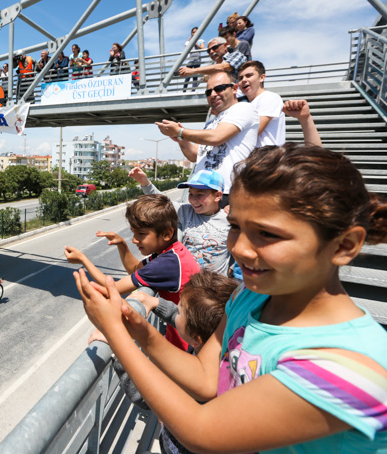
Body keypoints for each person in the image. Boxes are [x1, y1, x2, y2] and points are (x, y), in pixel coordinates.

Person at [75, 143, 387, 454]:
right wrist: (138, 329)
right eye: (235, 226)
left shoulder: (348, 365)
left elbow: (201, 431)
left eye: (267, 234)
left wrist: (115, 334)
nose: (239, 248)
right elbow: (206, 378)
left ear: (345, 245)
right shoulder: (249, 297)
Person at [114, 270, 240, 454]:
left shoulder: (193, 381)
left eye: (180, 308)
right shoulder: (218, 349)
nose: (176, 308)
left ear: (195, 339)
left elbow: (145, 396)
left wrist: (118, 351)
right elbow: (186, 323)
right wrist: (156, 303)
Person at [65, 194, 200, 351]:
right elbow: (135, 269)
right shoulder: (171, 252)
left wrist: (83, 260)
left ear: (166, 234)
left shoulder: (167, 264)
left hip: (185, 345)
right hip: (184, 336)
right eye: (133, 233)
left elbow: (112, 288)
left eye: (141, 234)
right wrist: (122, 245)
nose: (135, 240)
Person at [156, 71, 258, 204]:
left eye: (219, 88)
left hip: (228, 193)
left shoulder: (243, 109)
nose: (213, 94)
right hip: (204, 193)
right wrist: (181, 140)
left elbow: (217, 137)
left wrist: (181, 131)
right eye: (208, 92)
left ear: (234, 88)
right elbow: (194, 155)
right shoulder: (212, 122)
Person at [128, 167, 231, 276]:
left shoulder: (229, 220)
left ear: (217, 196)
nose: (193, 199)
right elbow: (163, 202)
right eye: (191, 194)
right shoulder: (185, 211)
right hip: (188, 284)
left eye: (200, 195)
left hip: (215, 288)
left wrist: (232, 269)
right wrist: (146, 183)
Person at [238, 61, 285, 147]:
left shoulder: (270, 97)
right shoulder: (244, 104)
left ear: (262, 78)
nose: (243, 80)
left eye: (249, 75)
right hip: (252, 158)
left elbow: (253, 132)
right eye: (240, 78)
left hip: (268, 157)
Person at [178, 37, 248, 80]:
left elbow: (224, 67)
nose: (211, 52)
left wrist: (193, 70)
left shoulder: (237, 55)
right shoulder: (215, 65)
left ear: (225, 45)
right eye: (208, 51)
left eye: (215, 48)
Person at [183, 27, 206, 91]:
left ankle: (193, 90)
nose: (194, 33)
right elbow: (186, 50)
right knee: (187, 74)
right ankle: (184, 90)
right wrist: (190, 42)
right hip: (190, 59)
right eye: (193, 32)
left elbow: (203, 48)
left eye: (196, 32)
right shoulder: (187, 42)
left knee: (195, 75)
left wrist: (195, 43)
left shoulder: (201, 40)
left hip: (197, 59)